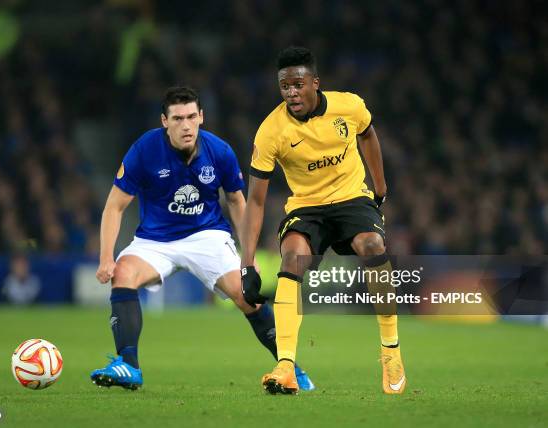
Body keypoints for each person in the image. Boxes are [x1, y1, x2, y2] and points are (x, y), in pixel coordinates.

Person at [90, 86, 314, 391]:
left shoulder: (219, 151)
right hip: (155, 240)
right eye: (178, 118)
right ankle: (128, 365)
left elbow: (237, 202)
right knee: (123, 274)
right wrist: (106, 258)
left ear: (201, 117)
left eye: (191, 116)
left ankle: (291, 369)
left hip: (207, 235)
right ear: (164, 121)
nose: (186, 125)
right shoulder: (144, 150)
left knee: (244, 295)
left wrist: (247, 258)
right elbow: (114, 206)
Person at [240, 47, 406, 395]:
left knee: (374, 246)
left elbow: (368, 135)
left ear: (315, 83)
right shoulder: (271, 131)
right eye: (284, 87)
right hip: (306, 206)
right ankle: (285, 365)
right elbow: (255, 200)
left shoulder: (349, 106)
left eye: (298, 84)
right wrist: (247, 264)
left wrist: (380, 190)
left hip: (351, 198)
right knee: (292, 257)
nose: (291, 93)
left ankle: (391, 351)